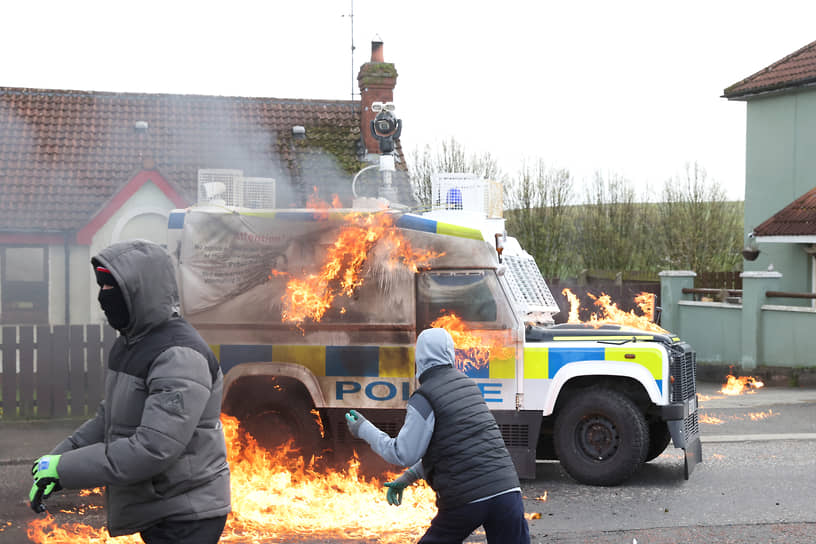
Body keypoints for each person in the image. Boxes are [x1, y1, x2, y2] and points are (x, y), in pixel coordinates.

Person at [28, 239, 231, 543]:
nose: (102, 298)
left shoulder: (179, 355)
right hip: (160, 506)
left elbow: (152, 448)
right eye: (102, 287)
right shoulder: (133, 343)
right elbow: (108, 419)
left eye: (112, 289)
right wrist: (57, 460)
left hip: (188, 514)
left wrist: (64, 470)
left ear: (140, 291)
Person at [345, 327, 529, 544]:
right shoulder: (469, 387)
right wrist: (407, 479)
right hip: (507, 490)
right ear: (450, 353)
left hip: (466, 496)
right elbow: (453, 450)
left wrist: (363, 429)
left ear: (419, 357)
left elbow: (402, 453)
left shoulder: (425, 396)